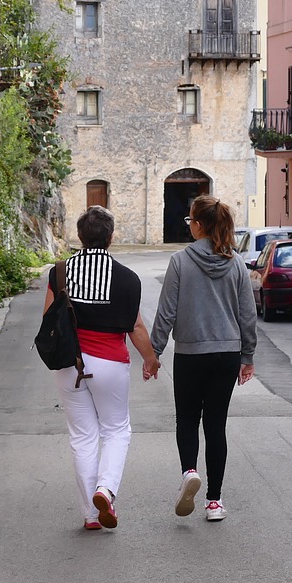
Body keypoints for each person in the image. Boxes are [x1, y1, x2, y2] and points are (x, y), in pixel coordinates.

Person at [44, 206, 160, 531]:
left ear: (80, 237)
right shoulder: (127, 278)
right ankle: (106, 490)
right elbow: (136, 327)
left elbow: (47, 320)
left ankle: (90, 515)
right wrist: (150, 360)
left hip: (69, 362)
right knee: (116, 430)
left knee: (82, 436)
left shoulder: (60, 272)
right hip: (110, 362)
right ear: (110, 237)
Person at [150, 195, 257, 522]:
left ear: (198, 225)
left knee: (186, 419)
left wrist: (153, 353)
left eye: (190, 220)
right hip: (226, 355)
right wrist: (247, 355)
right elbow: (247, 315)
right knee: (215, 425)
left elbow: (166, 313)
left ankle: (189, 473)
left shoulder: (180, 262)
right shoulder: (236, 263)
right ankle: (214, 502)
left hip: (190, 355)